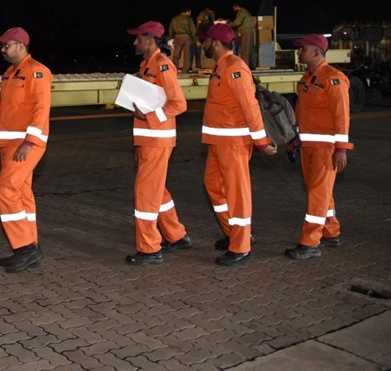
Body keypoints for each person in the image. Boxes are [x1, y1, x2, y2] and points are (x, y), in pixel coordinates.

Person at [0, 27, 52, 273]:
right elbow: (2, 112)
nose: (2, 49)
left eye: (5, 45)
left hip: (26, 146)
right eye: (1, 45)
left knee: (6, 190)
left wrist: (29, 142)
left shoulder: (38, 72)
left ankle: (25, 248)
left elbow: (41, 111)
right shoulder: (9, 74)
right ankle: (30, 246)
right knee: (21, 194)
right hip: (8, 144)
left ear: (21, 45)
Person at [199, 23, 276, 266]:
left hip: (232, 143)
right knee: (213, 185)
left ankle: (241, 246)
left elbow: (249, 106)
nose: (203, 44)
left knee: (237, 194)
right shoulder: (221, 67)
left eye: (206, 41)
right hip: (218, 142)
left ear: (217, 43)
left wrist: (261, 141)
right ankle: (233, 233)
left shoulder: (235, 68)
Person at [124, 21, 190, 266]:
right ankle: (176, 235)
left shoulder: (163, 66)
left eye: (138, 38)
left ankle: (150, 249)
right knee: (157, 190)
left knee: (145, 194)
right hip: (148, 140)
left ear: (150, 40)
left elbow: (178, 104)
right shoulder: (147, 65)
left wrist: (149, 117)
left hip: (157, 140)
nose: (135, 42)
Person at [285, 34, 353, 260]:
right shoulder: (307, 78)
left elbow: (342, 116)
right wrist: (295, 139)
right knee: (321, 192)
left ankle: (310, 242)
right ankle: (331, 232)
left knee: (317, 193)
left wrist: (341, 149)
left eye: (302, 48)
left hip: (326, 148)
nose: (299, 52)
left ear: (316, 52)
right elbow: (302, 113)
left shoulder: (334, 78)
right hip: (308, 146)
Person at [168, 8, 197, 73]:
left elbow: (170, 29)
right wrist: (196, 40)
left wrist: (171, 38)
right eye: (190, 12)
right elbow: (193, 30)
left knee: (176, 55)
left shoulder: (174, 19)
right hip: (187, 38)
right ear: (187, 11)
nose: (190, 13)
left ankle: (174, 70)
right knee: (187, 56)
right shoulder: (189, 19)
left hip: (177, 37)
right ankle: (185, 71)